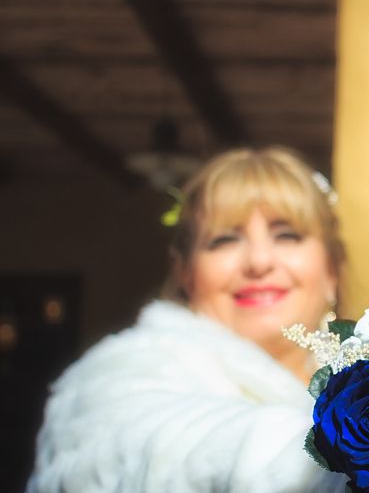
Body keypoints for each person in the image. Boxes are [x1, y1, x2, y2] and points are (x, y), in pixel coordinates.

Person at [29, 147, 347, 492]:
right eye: (224, 239)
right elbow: (159, 447)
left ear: (331, 269)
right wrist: (347, 458)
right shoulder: (124, 367)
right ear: (185, 272)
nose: (258, 261)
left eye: (287, 235)